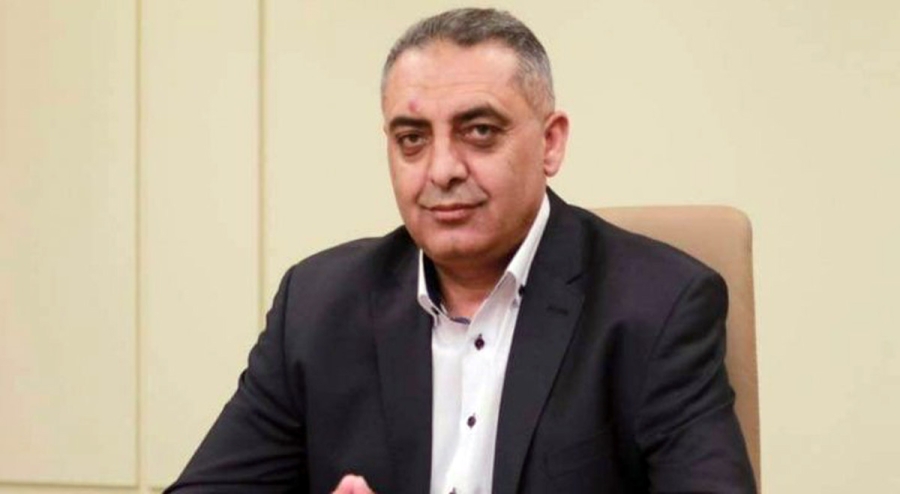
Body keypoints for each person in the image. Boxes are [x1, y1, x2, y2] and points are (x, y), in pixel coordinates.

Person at [167, 8, 756, 494]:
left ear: (550, 143)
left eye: (479, 131)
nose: (442, 169)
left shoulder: (658, 306)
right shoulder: (317, 306)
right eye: (412, 139)